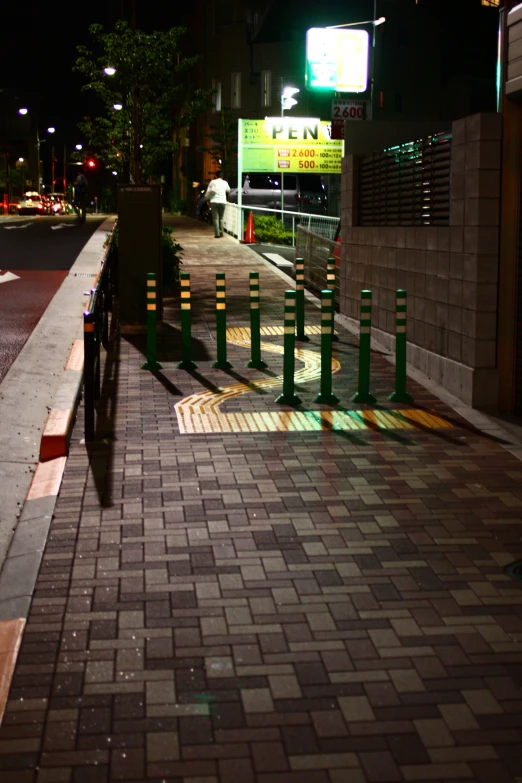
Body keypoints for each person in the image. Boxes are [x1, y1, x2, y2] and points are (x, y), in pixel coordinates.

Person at [205, 171, 230, 238]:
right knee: (221, 218)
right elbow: (228, 190)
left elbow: (208, 191)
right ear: (222, 176)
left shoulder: (213, 182)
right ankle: (221, 233)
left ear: (216, 176)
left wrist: (208, 198)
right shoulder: (225, 183)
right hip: (222, 202)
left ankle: (217, 234)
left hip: (214, 201)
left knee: (215, 218)